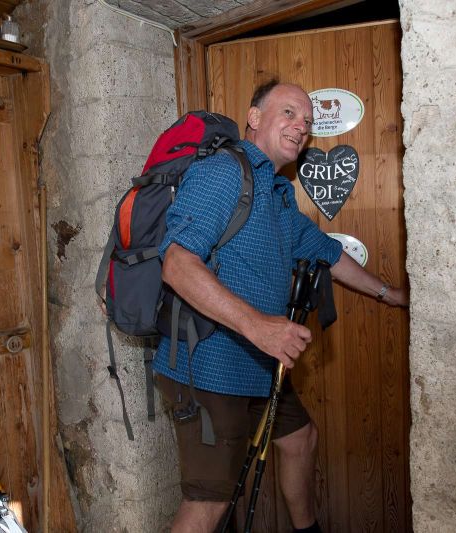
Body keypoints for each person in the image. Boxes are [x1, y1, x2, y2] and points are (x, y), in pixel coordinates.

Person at [154, 79, 409, 533]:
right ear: (254, 118)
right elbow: (177, 264)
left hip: (258, 362)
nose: (301, 127)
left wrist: (389, 294)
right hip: (208, 366)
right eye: (289, 113)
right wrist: (260, 328)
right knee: (209, 503)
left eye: (308, 121)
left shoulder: (274, 193)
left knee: (300, 438)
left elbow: (327, 254)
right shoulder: (224, 172)